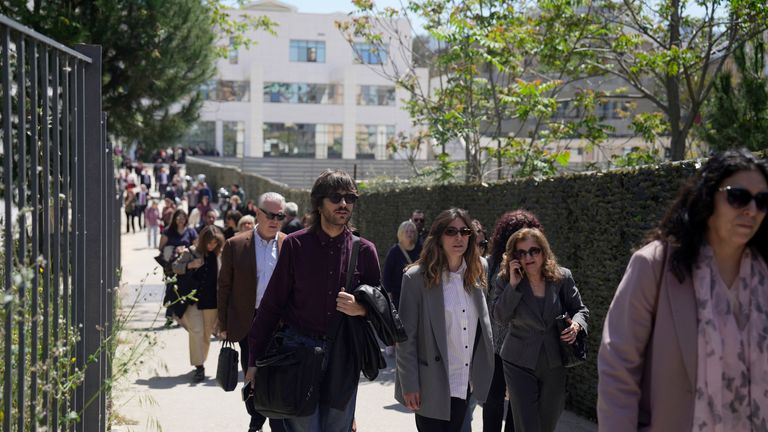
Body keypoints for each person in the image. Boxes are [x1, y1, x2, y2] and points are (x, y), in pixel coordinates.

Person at [598, 148, 768, 431]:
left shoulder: (764, 273)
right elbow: (618, 367)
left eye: (763, 201)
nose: (751, 210)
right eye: (738, 196)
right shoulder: (654, 265)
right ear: (708, 196)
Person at [246, 170, 381, 432]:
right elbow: (272, 306)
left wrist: (361, 308)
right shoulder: (296, 245)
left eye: (350, 198)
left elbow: (382, 307)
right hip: (298, 356)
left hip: (344, 356)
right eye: (335, 197)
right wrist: (254, 360)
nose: (344, 204)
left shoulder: (364, 250)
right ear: (319, 203)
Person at [395, 208, 494, 432]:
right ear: (439, 236)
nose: (459, 237)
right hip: (430, 383)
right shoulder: (415, 278)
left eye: (464, 231)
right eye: (451, 231)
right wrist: (409, 384)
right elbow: (406, 338)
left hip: (464, 382)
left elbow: (482, 329)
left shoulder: (480, 270)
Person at [491, 228, 589, 432]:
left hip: (554, 361)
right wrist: (513, 286)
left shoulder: (562, 277)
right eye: (521, 253)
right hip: (518, 361)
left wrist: (576, 325)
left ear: (544, 251)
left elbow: (580, 309)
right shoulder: (505, 279)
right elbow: (500, 317)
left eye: (533, 250)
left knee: (547, 424)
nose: (528, 257)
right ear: (514, 257)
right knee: (527, 426)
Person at [218, 192, 288, 432]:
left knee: (277, 375)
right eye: (270, 214)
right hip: (249, 321)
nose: (275, 219)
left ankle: (276, 422)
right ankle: (256, 416)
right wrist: (223, 323)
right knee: (252, 374)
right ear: (257, 213)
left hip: (281, 324)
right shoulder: (235, 244)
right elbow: (224, 287)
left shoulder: (289, 244)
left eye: (280, 215)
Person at [477, 210, 543, 432]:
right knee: (493, 399)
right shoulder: (493, 263)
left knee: (518, 403)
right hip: (495, 344)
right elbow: (486, 302)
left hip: (522, 345)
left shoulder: (536, 264)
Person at [172, 225, 225, 382]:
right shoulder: (191, 252)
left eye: (215, 243)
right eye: (209, 242)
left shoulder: (219, 255)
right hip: (192, 301)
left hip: (211, 301)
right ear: (203, 240)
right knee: (197, 331)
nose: (211, 246)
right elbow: (174, 267)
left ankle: (200, 361)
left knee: (206, 335)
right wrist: (190, 265)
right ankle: (199, 367)